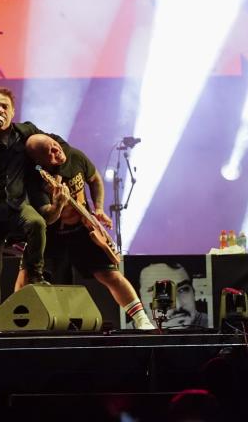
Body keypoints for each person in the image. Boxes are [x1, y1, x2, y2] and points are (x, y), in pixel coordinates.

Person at [20, 133, 154, 330]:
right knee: (26, 276)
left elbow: (95, 178)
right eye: (50, 153)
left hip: (84, 229)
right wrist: (58, 205)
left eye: (55, 145)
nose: (57, 151)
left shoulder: (74, 156)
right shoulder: (36, 180)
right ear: (41, 162)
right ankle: (11, 324)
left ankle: (142, 320)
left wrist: (98, 208)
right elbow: (47, 218)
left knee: (111, 276)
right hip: (53, 235)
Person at [0, 86, 59, 321]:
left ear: (13, 111)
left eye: (5, 106)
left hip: (17, 205)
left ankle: (35, 273)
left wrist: (60, 166)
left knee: (36, 223)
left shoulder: (25, 133)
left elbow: (53, 145)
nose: (1, 110)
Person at [138, 262, 209, 329]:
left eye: (183, 290)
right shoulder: (129, 332)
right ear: (141, 300)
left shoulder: (209, 322)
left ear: (194, 291)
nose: (178, 305)